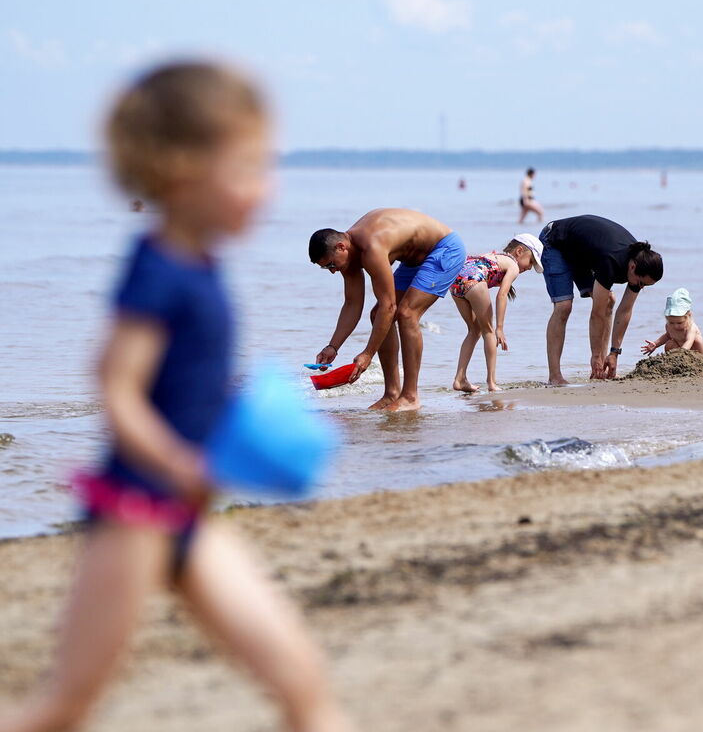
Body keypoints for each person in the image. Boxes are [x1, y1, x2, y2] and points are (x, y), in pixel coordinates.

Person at [0, 62, 352, 732]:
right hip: (134, 514)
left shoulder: (203, 264)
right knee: (64, 708)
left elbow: (187, 387)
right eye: (248, 168)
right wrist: (179, 463)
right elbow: (116, 389)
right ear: (182, 169)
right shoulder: (157, 267)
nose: (266, 188)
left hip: (186, 517)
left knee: (303, 682)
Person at [308, 209, 466, 411]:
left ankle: (410, 396)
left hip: (444, 249)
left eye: (331, 264)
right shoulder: (349, 256)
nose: (332, 271)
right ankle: (392, 393)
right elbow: (352, 304)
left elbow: (389, 306)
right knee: (377, 315)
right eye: (326, 268)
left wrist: (368, 354)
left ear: (341, 247)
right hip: (413, 260)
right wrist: (333, 347)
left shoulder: (371, 247)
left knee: (407, 314)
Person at [538, 214, 663, 384]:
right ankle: (555, 376)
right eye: (641, 283)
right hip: (555, 242)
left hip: (581, 253)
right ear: (633, 267)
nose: (641, 287)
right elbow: (596, 314)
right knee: (564, 306)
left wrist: (614, 353)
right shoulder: (611, 261)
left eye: (645, 286)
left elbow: (625, 310)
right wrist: (595, 355)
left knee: (609, 301)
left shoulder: (639, 262)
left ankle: (603, 366)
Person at [450, 233, 544, 393]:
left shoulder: (496, 256)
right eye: (531, 261)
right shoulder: (513, 265)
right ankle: (492, 383)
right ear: (519, 251)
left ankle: (460, 379)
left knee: (474, 330)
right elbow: (502, 295)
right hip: (475, 280)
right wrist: (499, 327)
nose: (529, 268)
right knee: (489, 332)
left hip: (455, 282)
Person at [641, 287, 703, 355]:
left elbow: (689, 341)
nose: (675, 326)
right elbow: (667, 336)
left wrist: (681, 353)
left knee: (697, 339)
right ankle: (672, 360)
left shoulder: (691, 327)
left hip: (695, 350)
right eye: (671, 322)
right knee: (669, 344)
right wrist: (655, 344)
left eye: (680, 323)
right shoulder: (668, 326)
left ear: (689, 315)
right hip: (681, 350)